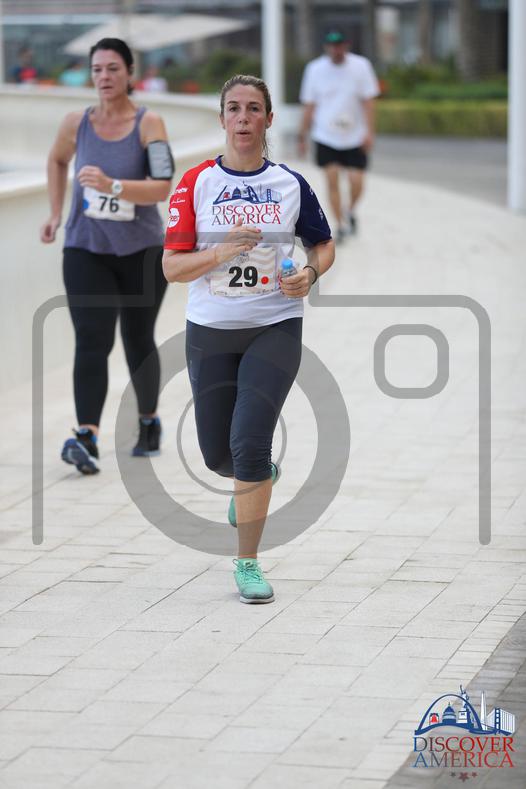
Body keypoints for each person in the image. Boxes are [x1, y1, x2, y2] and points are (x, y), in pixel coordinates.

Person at [163, 74, 335, 604]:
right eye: (234, 108)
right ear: (222, 119)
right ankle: (258, 476)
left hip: (275, 324)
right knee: (218, 455)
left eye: (254, 108)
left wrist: (310, 274)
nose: (243, 118)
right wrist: (220, 251)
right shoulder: (196, 183)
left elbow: (323, 245)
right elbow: (171, 267)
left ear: (268, 119)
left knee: (250, 441)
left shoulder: (290, 184)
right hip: (211, 330)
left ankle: (248, 562)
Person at [40, 38, 173, 475]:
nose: (104, 77)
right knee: (92, 339)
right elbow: (56, 161)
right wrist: (56, 213)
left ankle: (149, 420)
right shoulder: (74, 123)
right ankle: (87, 437)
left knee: (137, 337)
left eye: (113, 68)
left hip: (142, 251)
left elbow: (162, 186)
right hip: (86, 246)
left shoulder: (149, 123)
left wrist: (112, 185)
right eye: (97, 69)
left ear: (130, 73)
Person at [299, 30, 380, 242]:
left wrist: (369, 132)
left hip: (354, 135)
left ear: (346, 45)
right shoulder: (315, 69)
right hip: (325, 135)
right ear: (326, 47)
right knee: (332, 179)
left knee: (356, 181)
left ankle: (350, 210)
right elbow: (309, 104)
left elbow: (369, 102)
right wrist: (302, 135)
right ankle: (340, 224)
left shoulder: (361, 66)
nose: (336, 49)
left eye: (339, 45)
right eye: (332, 45)